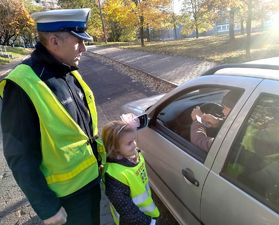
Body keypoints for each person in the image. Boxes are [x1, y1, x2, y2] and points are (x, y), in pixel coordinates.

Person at [0, 8, 105, 225]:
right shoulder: (23, 83)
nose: (84, 48)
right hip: (65, 198)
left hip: (91, 183)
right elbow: (19, 155)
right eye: (79, 41)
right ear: (55, 41)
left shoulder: (69, 70)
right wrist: (47, 208)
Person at [102, 120, 160, 225]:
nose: (134, 145)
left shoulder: (134, 156)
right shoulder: (114, 176)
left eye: (134, 140)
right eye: (129, 143)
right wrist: (147, 222)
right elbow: (126, 209)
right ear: (115, 148)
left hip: (146, 213)